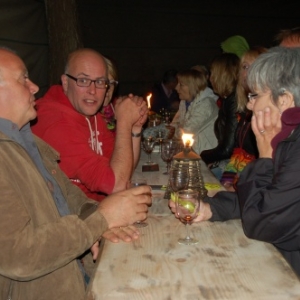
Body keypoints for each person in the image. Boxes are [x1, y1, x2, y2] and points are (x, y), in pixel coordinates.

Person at [0, 47, 152, 300]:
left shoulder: (27, 138)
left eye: (101, 82)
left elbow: (67, 195)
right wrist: (100, 220)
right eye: (23, 79)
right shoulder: (51, 122)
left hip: (76, 272)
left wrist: (98, 221)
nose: (35, 87)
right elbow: (19, 256)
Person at [32, 48, 148, 201]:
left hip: (96, 209)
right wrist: (124, 122)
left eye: (100, 82)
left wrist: (135, 128)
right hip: (72, 218)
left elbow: (122, 172)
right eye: (83, 80)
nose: (92, 91)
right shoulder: (55, 122)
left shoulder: (89, 113)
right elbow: (116, 185)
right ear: (65, 83)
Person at [237, 46, 300, 276]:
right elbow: (269, 196)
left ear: (284, 100)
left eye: (255, 96)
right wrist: (210, 208)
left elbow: (261, 222)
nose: (249, 105)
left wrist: (264, 156)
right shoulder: (288, 137)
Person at [220, 46, 267, 190]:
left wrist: (235, 187)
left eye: (254, 66)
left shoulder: (270, 111)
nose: (247, 73)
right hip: (240, 180)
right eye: (245, 67)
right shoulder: (246, 108)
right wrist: (227, 182)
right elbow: (238, 152)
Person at [200, 53, 240, 180]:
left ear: (222, 75)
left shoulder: (234, 101)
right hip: (228, 161)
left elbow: (228, 148)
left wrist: (202, 156)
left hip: (235, 166)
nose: (209, 78)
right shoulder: (227, 99)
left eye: (212, 74)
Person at [171, 69, 219, 154]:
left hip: (205, 155)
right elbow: (173, 125)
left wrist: (171, 130)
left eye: (181, 85)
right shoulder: (184, 102)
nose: (176, 88)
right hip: (191, 150)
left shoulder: (206, 104)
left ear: (192, 86)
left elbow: (187, 131)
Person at [101, 56, 118, 133]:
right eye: (103, 82)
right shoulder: (87, 115)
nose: (109, 88)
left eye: (112, 83)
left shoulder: (115, 106)